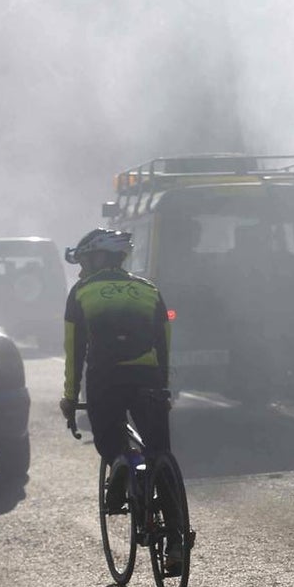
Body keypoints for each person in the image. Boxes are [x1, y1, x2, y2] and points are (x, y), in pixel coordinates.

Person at [57, 228, 177, 567]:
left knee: (109, 439)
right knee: (160, 454)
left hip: (105, 379)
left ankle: (121, 462)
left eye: (84, 262)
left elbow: (74, 351)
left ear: (99, 259)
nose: (80, 271)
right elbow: (164, 345)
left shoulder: (81, 292)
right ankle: (175, 544)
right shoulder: (149, 289)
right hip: (148, 377)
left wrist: (70, 397)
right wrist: (163, 387)